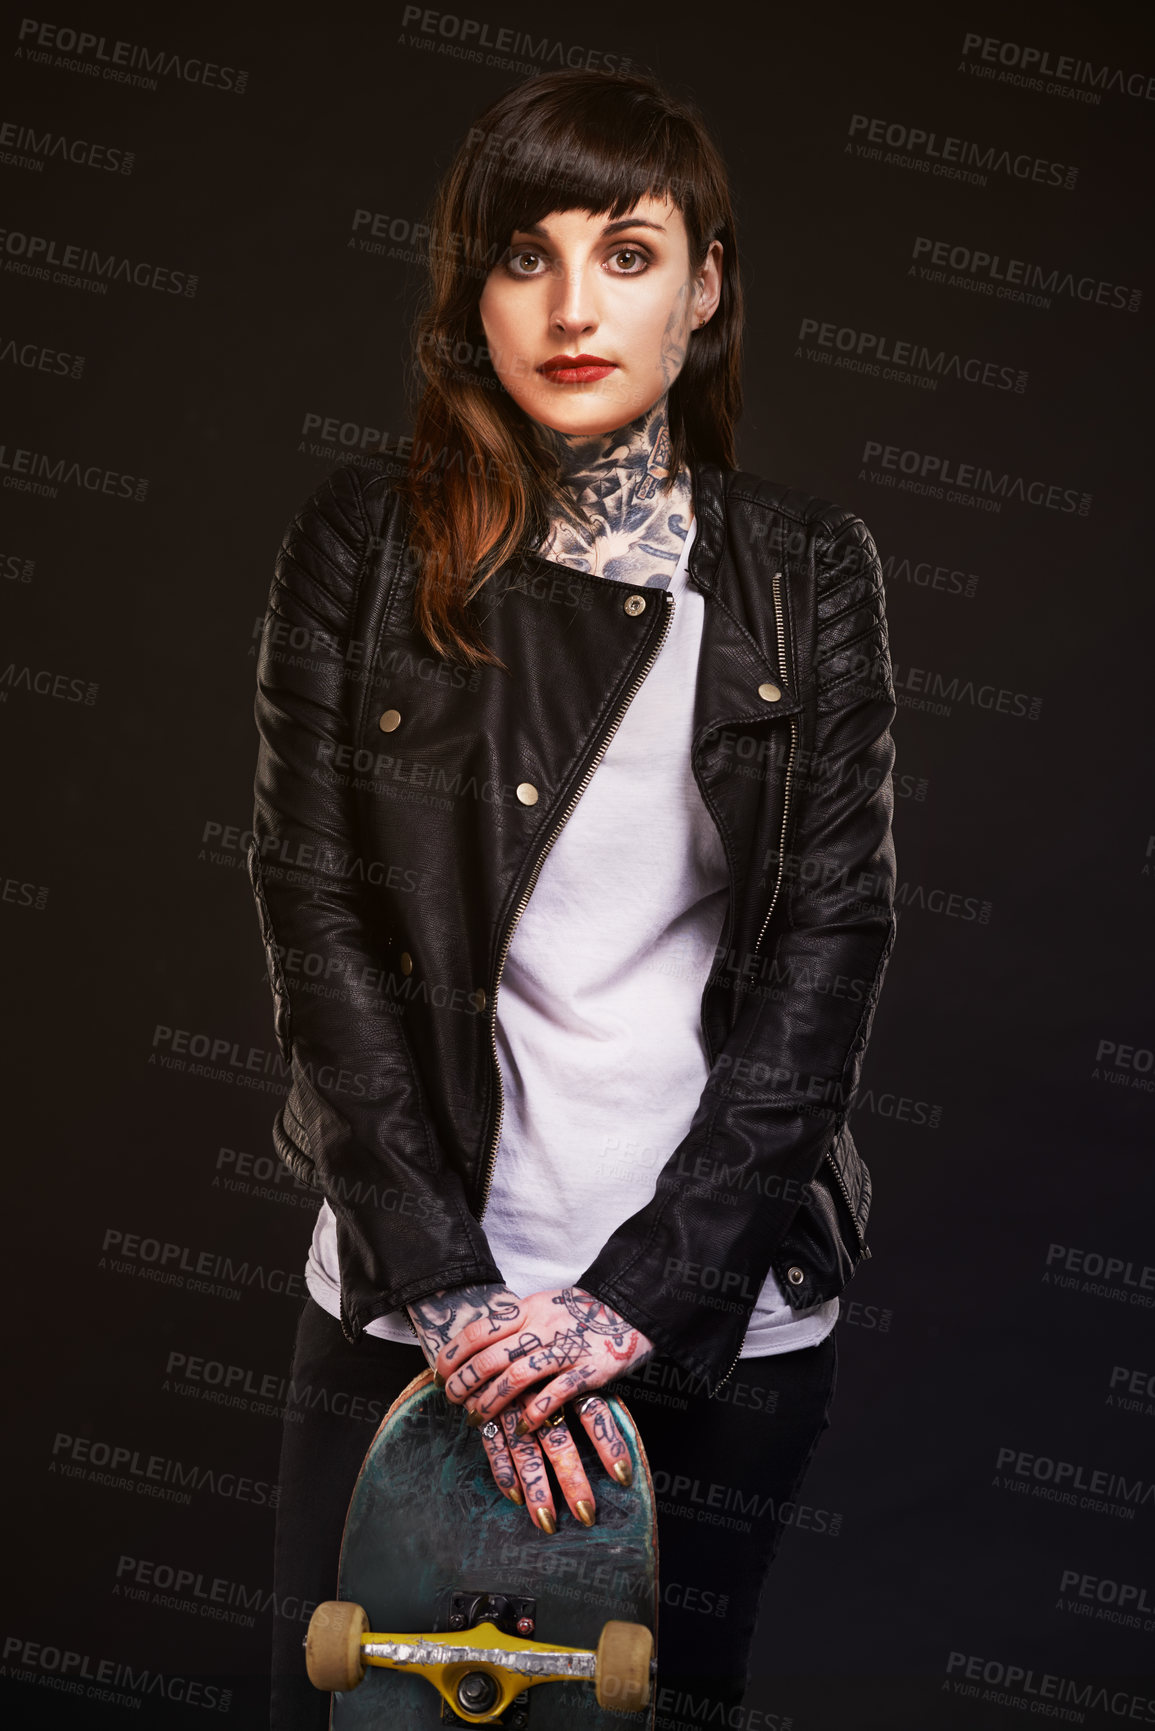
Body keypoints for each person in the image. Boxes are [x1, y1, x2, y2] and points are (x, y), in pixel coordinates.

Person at [249, 67, 897, 1731]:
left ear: (708, 284)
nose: (570, 305)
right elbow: (316, 927)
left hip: (704, 1308)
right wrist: (456, 1302)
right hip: (413, 1302)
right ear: (472, 297)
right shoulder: (366, 550)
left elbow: (830, 950)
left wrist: (634, 1307)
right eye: (521, 256)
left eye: (625, 251)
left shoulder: (806, 576)